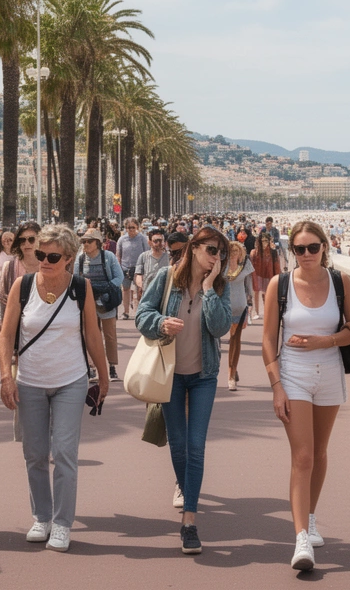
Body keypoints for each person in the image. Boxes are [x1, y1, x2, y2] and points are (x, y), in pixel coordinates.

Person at [0, 224, 109, 552]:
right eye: (40, 254)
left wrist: (103, 377)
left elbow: (92, 335)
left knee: (63, 452)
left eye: (52, 256)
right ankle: (41, 517)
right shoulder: (23, 285)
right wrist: (6, 377)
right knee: (33, 453)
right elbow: (5, 335)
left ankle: (61, 523)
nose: (44, 260)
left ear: (69, 258)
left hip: (70, 382)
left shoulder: (81, 289)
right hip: (29, 381)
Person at [263, 221, 350, 572]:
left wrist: (323, 342)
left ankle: (311, 516)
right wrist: (277, 387)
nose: (305, 255)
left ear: (325, 247)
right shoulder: (280, 284)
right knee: (302, 455)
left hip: (330, 374)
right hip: (294, 375)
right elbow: (268, 341)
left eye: (312, 248)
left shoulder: (339, 282)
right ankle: (301, 537)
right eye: (299, 249)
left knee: (319, 452)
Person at [135, 225, 232, 556]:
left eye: (222, 253)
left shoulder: (219, 285)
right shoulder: (166, 278)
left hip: (204, 375)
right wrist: (161, 323)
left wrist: (207, 289)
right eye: (211, 250)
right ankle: (187, 491)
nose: (217, 258)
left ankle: (189, 520)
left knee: (196, 445)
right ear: (194, 248)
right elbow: (141, 314)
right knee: (178, 445)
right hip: (171, 374)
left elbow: (220, 327)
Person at [76, 228, 124, 382]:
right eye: (84, 241)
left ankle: (112, 367)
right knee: (89, 335)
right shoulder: (81, 258)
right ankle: (92, 367)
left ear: (97, 243)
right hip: (88, 301)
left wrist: (107, 288)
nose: (86, 244)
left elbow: (119, 277)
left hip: (106, 301)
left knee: (110, 335)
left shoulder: (108, 257)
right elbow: (76, 278)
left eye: (89, 241)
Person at [0, 222, 43, 338]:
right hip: (17, 330)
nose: (26, 244)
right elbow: (2, 299)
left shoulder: (48, 266)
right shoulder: (9, 267)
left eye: (31, 239)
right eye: (22, 240)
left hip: (45, 328)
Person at [225, 241, 255, 391]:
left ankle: (231, 374)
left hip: (240, 307)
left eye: (236, 252)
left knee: (235, 340)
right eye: (231, 252)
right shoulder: (220, 268)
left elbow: (249, 288)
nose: (233, 255)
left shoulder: (245, 268)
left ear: (240, 254)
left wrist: (251, 305)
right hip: (223, 308)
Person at [117, 219, 149, 320]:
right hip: (125, 268)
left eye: (133, 227)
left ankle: (139, 312)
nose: (131, 230)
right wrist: (119, 267)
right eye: (128, 227)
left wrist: (145, 268)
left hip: (138, 268)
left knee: (139, 290)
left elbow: (147, 253)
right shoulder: (122, 239)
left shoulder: (142, 238)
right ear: (125, 228)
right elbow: (118, 254)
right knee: (125, 290)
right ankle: (126, 312)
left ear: (137, 228)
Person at [250, 233, 283, 322]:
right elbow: (251, 266)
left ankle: (267, 312)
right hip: (257, 274)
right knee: (256, 292)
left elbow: (277, 265)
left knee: (267, 293)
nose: (264, 243)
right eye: (262, 241)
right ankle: (256, 312)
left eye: (266, 241)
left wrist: (278, 276)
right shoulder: (254, 252)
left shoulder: (273, 252)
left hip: (269, 274)